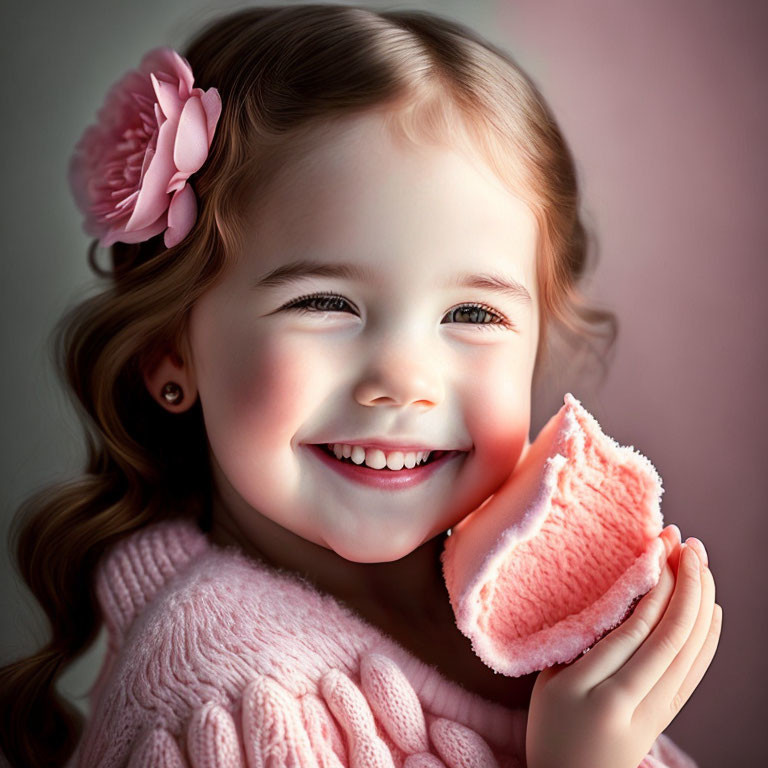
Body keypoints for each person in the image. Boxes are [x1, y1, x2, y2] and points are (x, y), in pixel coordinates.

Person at [0, 5, 720, 767]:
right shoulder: (226, 705)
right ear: (167, 349)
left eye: (473, 312)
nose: (404, 381)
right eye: (325, 303)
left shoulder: (541, 617)